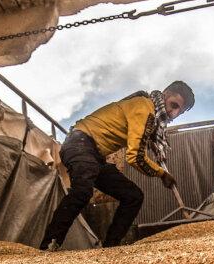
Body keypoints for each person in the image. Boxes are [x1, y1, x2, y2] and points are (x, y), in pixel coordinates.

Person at [41, 81, 195, 250]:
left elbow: (142, 137)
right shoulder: (145, 107)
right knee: (82, 191)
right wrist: (162, 174)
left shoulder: (149, 114)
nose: (173, 114)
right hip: (79, 143)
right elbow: (135, 157)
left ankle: (110, 248)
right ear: (165, 94)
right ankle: (49, 245)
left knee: (133, 196)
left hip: (94, 155)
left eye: (178, 112)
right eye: (173, 105)